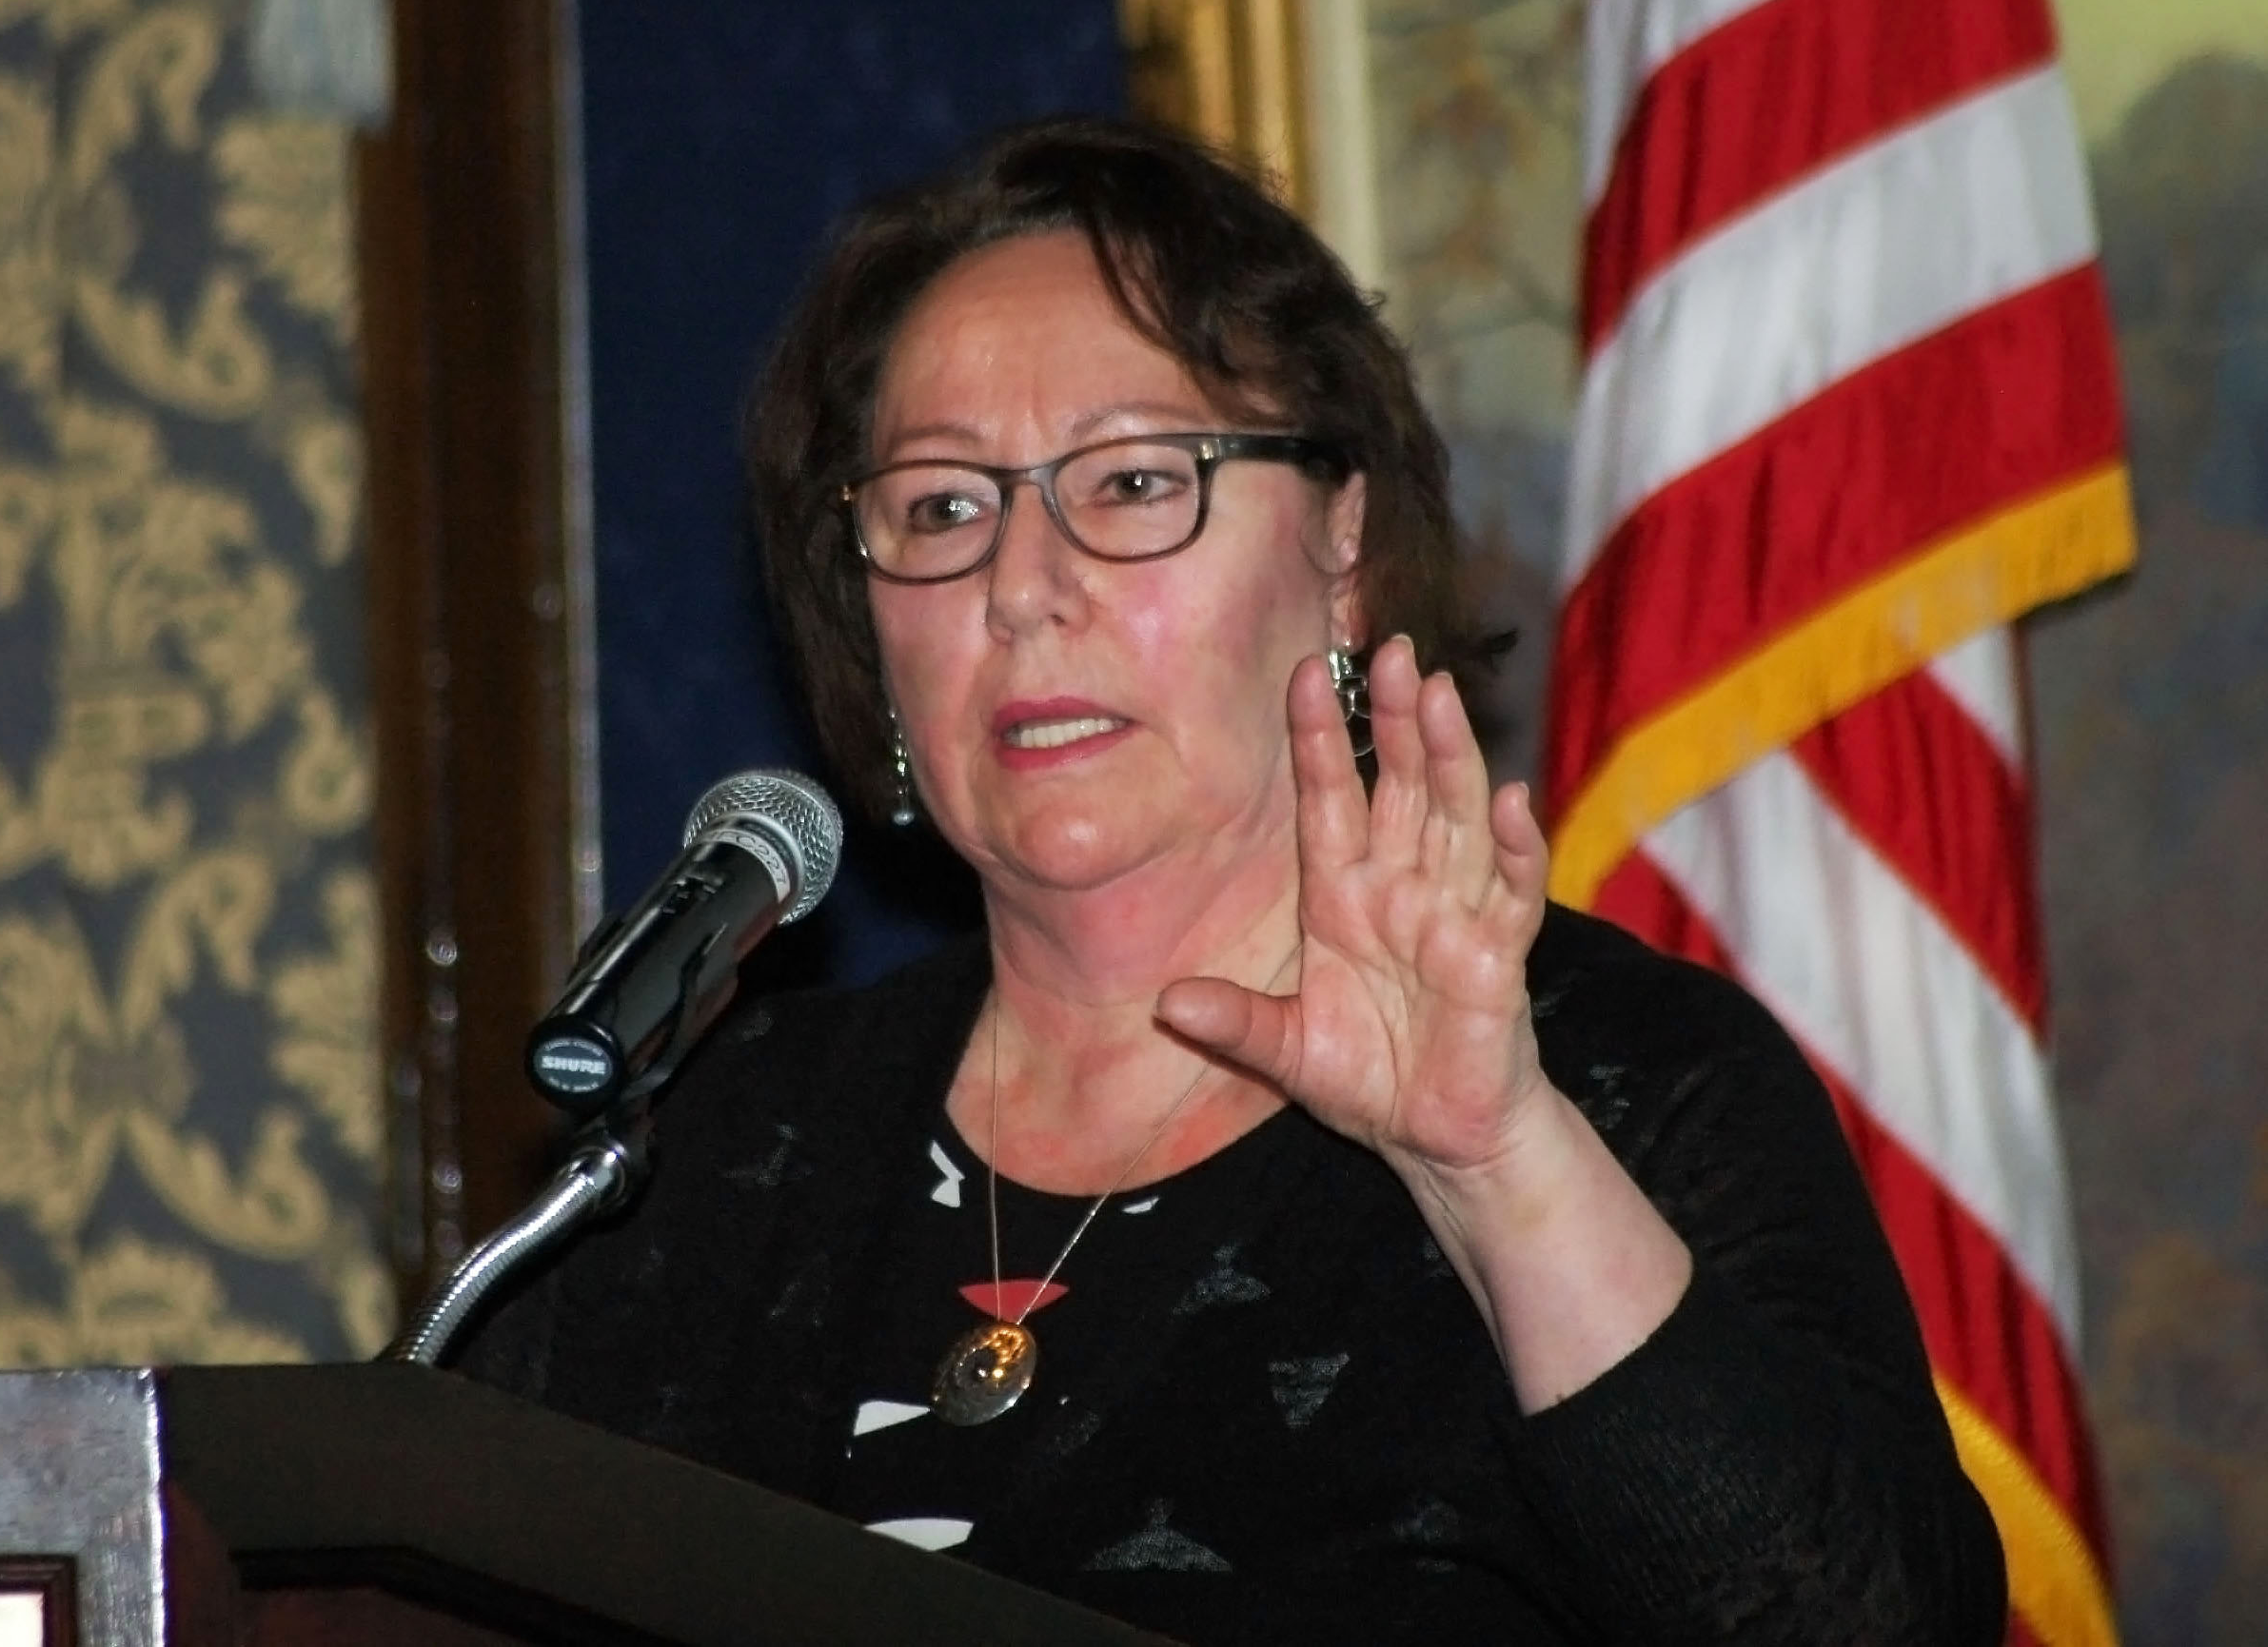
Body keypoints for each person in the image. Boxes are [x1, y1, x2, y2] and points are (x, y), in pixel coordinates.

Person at [458, 117, 2006, 1643]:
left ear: (1340, 539)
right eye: (940, 506)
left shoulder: (1621, 1085)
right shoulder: (718, 1150)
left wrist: (1493, 1163)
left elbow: (1858, 1619)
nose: (1021, 587)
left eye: (1132, 483)